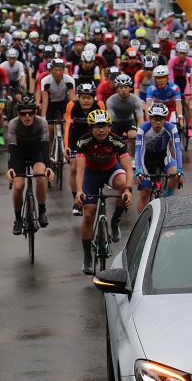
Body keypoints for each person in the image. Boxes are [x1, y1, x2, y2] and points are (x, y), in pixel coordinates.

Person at [74, 109, 133, 274]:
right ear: (90, 128)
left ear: (109, 127)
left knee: (122, 184)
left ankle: (115, 221)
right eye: (98, 127)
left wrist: (128, 190)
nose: (101, 130)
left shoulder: (117, 141)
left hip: (110, 171)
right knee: (88, 215)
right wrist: (79, 191)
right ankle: (87, 256)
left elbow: (128, 168)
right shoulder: (83, 142)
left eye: (105, 126)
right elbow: (79, 171)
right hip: (91, 176)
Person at [5, 94, 54, 234]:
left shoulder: (41, 123)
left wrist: (49, 167)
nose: (27, 116)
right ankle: (18, 219)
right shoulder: (13, 124)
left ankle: (42, 211)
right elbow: (12, 149)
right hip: (18, 154)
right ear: (18, 114)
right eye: (23, 113)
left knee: (40, 175)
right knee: (19, 186)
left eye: (30, 113)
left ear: (35, 112)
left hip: (36, 152)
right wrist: (10, 169)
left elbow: (45, 148)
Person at [64, 82, 105, 213]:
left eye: (89, 97)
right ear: (78, 97)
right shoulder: (72, 105)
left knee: (93, 167)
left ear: (93, 98)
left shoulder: (99, 105)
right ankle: (76, 200)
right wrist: (66, 146)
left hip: (93, 137)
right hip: (76, 138)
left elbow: (104, 127)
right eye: (83, 97)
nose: (86, 100)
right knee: (74, 169)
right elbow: (68, 127)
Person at [134, 102, 182, 212]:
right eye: (155, 119)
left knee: (174, 173)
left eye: (161, 119)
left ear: (165, 119)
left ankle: (166, 199)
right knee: (145, 192)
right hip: (146, 159)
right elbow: (138, 149)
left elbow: (177, 148)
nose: (158, 122)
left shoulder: (171, 128)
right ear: (149, 119)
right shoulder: (143, 128)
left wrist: (180, 169)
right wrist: (138, 169)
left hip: (163, 157)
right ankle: (142, 226)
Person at [105, 73, 143, 155]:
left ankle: (132, 157)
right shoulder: (111, 100)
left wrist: (142, 130)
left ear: (130, 88)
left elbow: (140, 117)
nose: (123, 90)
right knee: (111, 138)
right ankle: (114, 155)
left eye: (126, 87)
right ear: (117, 89)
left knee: (133, 135)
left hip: (129, 120)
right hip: (115, 122)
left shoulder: (135, 99)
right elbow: (109, 119)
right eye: (121, 87)